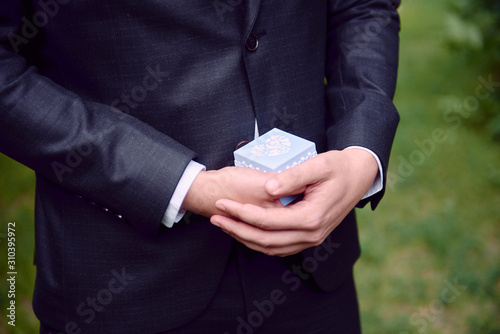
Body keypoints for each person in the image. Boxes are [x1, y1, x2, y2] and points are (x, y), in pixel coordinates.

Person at [0, 0, 401, 333]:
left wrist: (360, 152)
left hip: (313, 272)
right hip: (120, 283)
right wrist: (182, 185)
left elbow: (364, 7)